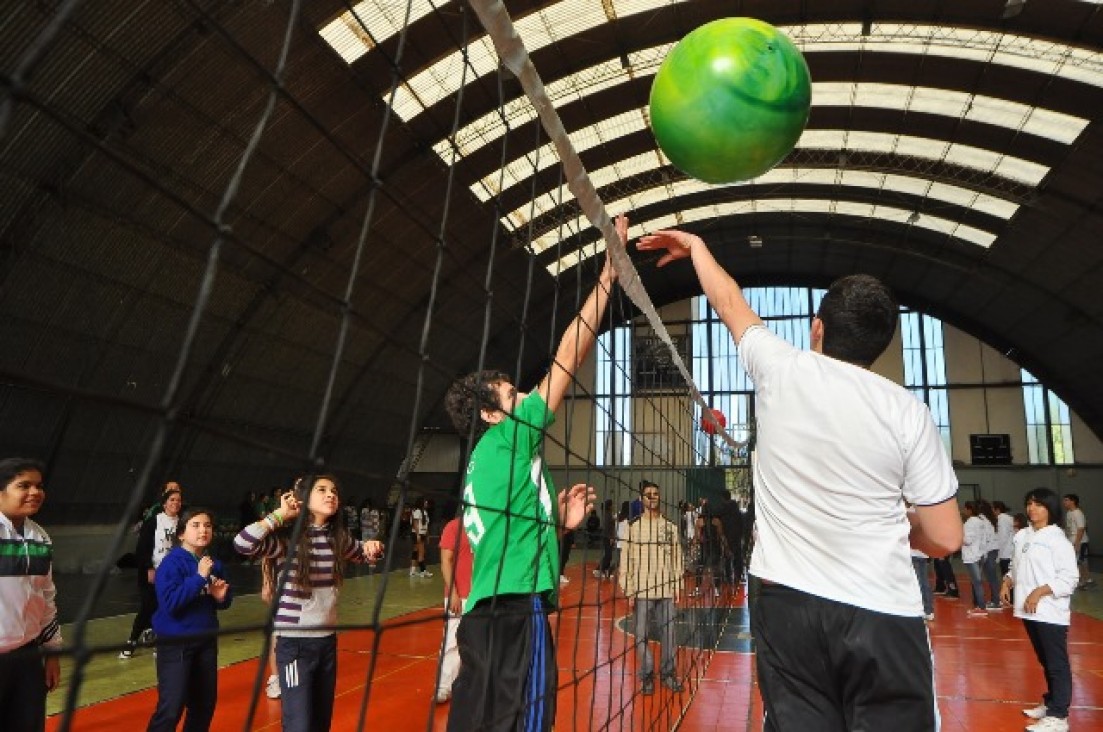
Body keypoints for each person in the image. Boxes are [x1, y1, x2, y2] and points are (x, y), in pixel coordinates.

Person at [637, 229, 962, 730]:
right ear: (880, 345)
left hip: (787, 604)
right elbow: (944, 537)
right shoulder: (909, 411)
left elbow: (727, 301)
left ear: (817, 329)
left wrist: (698, 247)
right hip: (882, 607)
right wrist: (903, 528)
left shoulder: (781, 368)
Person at [442, 216, 621, 732]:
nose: (523, 397)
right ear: (491, 413)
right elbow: (570, 354)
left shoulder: (486, 460)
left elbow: (508, 534)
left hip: (484, 619)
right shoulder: (509, 436)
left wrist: (559, 525)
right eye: (510, 395)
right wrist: (609, 274)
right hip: (515, 615)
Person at [234, 475, 384, 732]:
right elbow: (242, 543)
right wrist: (280, 514)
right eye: (322, 490)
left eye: (334, 491)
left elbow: (364, 553)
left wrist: (374, 547)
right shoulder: (286, 541)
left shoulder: (338, 538)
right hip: (294, 645)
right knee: (298, 723)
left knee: (319, 722)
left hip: (326, 642)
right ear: (302, 499)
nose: (331, 495)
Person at [147, 507, 232, 732]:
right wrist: (199, 578)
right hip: (176, 643)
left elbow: (223, 600)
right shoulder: (171, 564)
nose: (203, 530)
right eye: (195, 525)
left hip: (205, 641)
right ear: (182, 533)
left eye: (207, 525)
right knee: (171, 708)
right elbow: (170, 604)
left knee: (204, 705)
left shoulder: (214, 563)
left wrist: (220, 598)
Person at [1001, 488, 1079, 732]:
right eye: (1029, 504)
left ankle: (1059, 716)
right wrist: (1007, 580)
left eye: (1038, 504)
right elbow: (1016, 564)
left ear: (1050, 509)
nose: (1032, 509)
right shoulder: (1022, 534)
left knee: (1056, 663)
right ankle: (1051, 702)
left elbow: (1070, 578)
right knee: (1045, 660)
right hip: (1027, 610)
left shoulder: (1058, 540)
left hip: (1049, 611)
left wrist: (1039, 591)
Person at [0, 458, 62, 732]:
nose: (35, 492)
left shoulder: (40, 538)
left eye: (38, 486)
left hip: (27, 659)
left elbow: (46, 597)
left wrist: (52, 653)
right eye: (23, 485)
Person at [618, 481, 684, 694]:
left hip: (665, 589)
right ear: (642, 499)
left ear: (660, 497)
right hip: (641, 589)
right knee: (640, 636)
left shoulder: (670, 527)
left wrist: (677, 586)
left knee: (670, 634)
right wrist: (628, 589)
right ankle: (646, 675)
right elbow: (625, 560)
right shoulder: (633, 528)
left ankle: (668, 673)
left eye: (656, 493)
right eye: (648, 494)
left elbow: (677, 559)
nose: (652, 497)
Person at [122, 486, 183, 658]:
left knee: (168, 607)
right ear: (164, 503)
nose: (175, 503)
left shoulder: (183, 523)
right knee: (148, 606)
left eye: (178, 500)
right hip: (153, 572)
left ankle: (161, 641)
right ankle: (131, 641)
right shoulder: (154, 522)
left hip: (174, 574)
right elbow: (142, 548)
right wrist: (149, 568)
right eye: (172, 500)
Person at [435, 516, 473, 704]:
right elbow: (446, 561)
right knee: (452, 641)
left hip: (482, 596)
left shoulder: (490, 524)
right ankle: (444, 686)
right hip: (460, 596)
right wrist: (453, 593)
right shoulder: (454, 526)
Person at [1062, 494, 1093, 589]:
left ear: (1073, 501)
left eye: (1066, 500)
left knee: (1081, 561)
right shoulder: (1068, 513)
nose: (1064, 502)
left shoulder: (1078, 513)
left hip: (1080, 542)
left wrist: (1077, 543)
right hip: (1071, 541)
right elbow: (1068, 528)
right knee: (1075, 562)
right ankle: (1082, 580)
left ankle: (1086, 580)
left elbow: (1081, 528)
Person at [410, 498, 432, 578]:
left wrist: (427, 535)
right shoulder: (417, 511)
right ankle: (423, 571)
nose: (426, 503)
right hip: (418, 534)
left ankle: (412, 571)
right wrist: (418, 534)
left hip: (422, 533)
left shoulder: (425, 512)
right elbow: (415, 523)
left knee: (416, 551)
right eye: (425, 502)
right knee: (421, 552)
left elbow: (426, 525)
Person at [994, 500, 1016, 576]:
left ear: (997, 510)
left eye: (992, 509)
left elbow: (1002, 538)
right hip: (1010, 552)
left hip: (1006, 554)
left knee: (1006, 578)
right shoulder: (1008, 518)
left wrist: (998, 556)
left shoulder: (1002, 519)